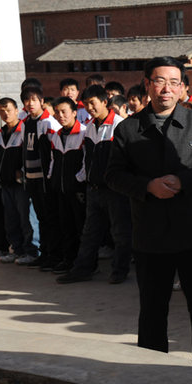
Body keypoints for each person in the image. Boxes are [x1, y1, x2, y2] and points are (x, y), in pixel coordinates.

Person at [105, 56, 192, 366]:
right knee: (153, 309)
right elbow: (113, 176)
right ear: (147, 85)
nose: (166, 89)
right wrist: (147, 187)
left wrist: (182, 181)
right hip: (151, 236)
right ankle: (153, 370)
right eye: (159, 81)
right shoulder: (128, 130)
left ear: (183, 88)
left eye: (174, 82)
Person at [56, 84, 132, 285]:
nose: (89, 108)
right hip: (93, 189)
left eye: (93, 103)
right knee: (90, 232)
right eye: (86, 104)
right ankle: (83, 269)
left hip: (115, 190)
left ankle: (120, 270)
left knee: (120, 232)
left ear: (105, 102)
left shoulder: (120, 125)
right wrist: (83, 178)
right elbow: (86, 158)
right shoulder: (90, 126)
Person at [20, 80, 61, 270]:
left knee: (50, 218)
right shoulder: (27, 122)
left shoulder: (48, 122)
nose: (30, 104)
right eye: (27, 100)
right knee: (41, 218)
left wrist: (51, 176)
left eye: (34, 100)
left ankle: (54, 255)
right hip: (32, 178)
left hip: (46, 179)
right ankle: (44, 253)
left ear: (42, 101)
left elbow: (53, 152)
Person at [47, 97, 87, 274]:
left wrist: (78, 179)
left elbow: (87, 161)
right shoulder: (56, 135)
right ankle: (69, 260)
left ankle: (85, 263)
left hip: (77, 190)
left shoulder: (84, 133)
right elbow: (53, 161)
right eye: (57, 112)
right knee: (66, 226)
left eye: (64, 111)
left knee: (82, 227)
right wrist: (52, 179)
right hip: (61, 189)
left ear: (74, 112)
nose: (60, 115)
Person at [0, 98, 37, 263]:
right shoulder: (1, 133)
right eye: (1, 111)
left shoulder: (25, 130)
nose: (5, 114)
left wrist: (22, 173)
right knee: (10, 220)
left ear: (17, 110)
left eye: (8, 110)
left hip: (21, 184)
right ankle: (17, 249)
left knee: (27, 219)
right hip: (5, 184)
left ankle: (32, 252)